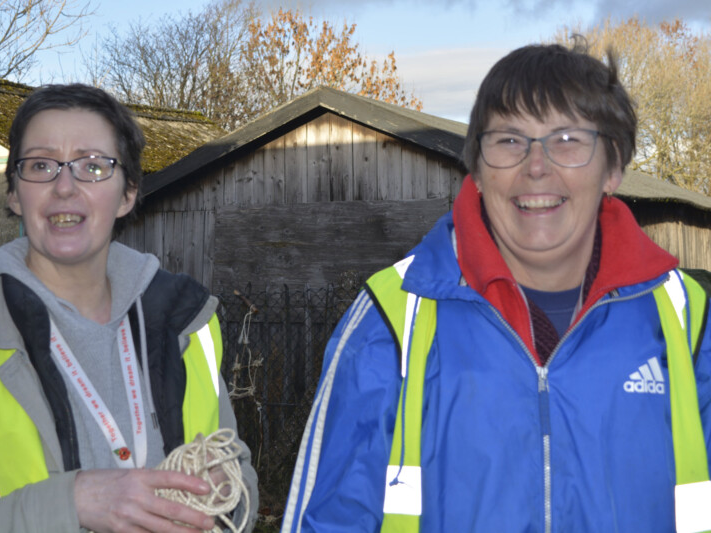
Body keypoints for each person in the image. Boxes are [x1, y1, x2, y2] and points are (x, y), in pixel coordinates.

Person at [281, 41, 711, 532]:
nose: (536, 166)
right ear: (478, 171)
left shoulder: (684, 321)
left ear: (613, 168)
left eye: (567, 139)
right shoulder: (393, 318)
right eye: (509, 140)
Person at [0, 84, 258, 532]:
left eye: (93, 166)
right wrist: (71, 503)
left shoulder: (186, 322)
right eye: (40, 165)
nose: (64, 186)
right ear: (15, 194)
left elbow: (238, 477)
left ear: (128, 193)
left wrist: (224, 493)